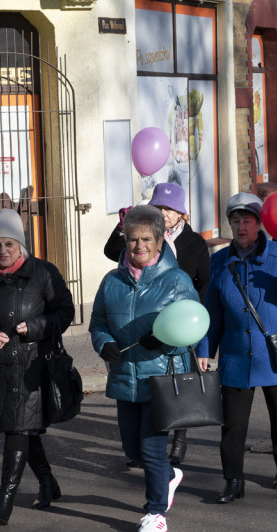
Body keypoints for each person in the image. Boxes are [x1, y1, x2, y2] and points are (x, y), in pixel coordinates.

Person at [0, 209, 76, 525]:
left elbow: (65, 311)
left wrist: (36, 327)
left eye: (10, 243)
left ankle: (3, 502)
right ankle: (48, 483)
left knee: (19, 429)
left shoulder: (44, 273)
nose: (3, 251)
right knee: (21, 428)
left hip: (34, 365)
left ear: (21, 245)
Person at [89, 205, 196, 532]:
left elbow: (194, 327)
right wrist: (103, 341)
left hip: (160, 378)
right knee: (132, 451)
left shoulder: (176, 280)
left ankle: (155, 512)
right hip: (124, 377)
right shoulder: (111, 282)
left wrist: (166, 338)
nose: (139, 247)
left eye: (146, 239)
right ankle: (167, 476)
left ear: (160, 240)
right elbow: (98, 322)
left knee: (151, 450)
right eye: (133, 240)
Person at [196, 193, 277, 502]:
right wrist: (205, 351)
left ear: (260, 223)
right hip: (235, 358)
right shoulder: (219, 261)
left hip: (273, 355)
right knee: (232, 426)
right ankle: (233, 480)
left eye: (247, 220)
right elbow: (213, 313)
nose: (241, 226)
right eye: (235, 221)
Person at [103, 183, 210, 467]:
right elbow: (112, 252)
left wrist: (185, 315)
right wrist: (122, 227)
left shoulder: (194, 242)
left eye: (169, 209)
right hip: (140, 324)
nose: (163, 213)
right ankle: (151, 456)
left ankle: (178, 439)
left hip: (180, 323)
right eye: (158, 208)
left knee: (175, 387)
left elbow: (203, 284)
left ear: (181, 214)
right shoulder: (140, 235)